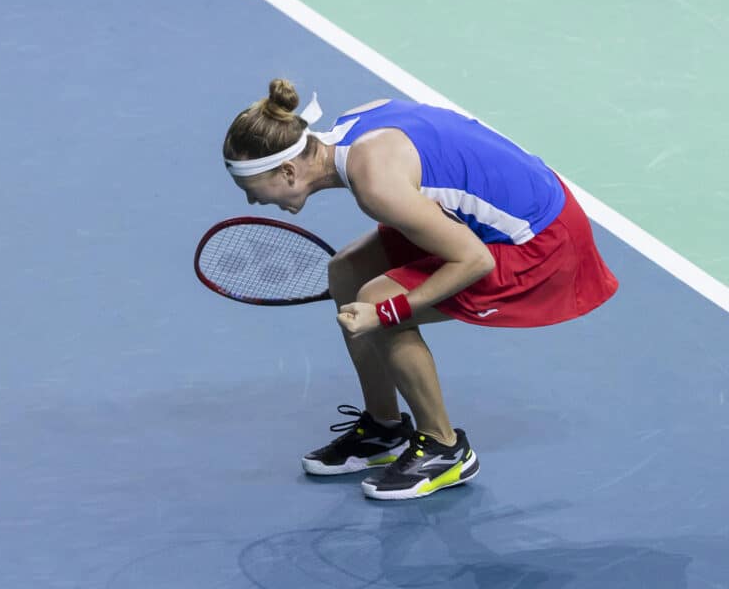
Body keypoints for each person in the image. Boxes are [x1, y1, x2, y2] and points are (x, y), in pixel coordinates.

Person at [221, 79, 618, 500]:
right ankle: (384, 429)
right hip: (515, 211)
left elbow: (474, 260)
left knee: (376, 299)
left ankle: (445, 448)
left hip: (540, 241)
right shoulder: (359, 124)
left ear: (287, 171)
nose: (252, 203)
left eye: (252, 191)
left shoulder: (375, 183)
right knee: (347, 272)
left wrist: (388, 313)